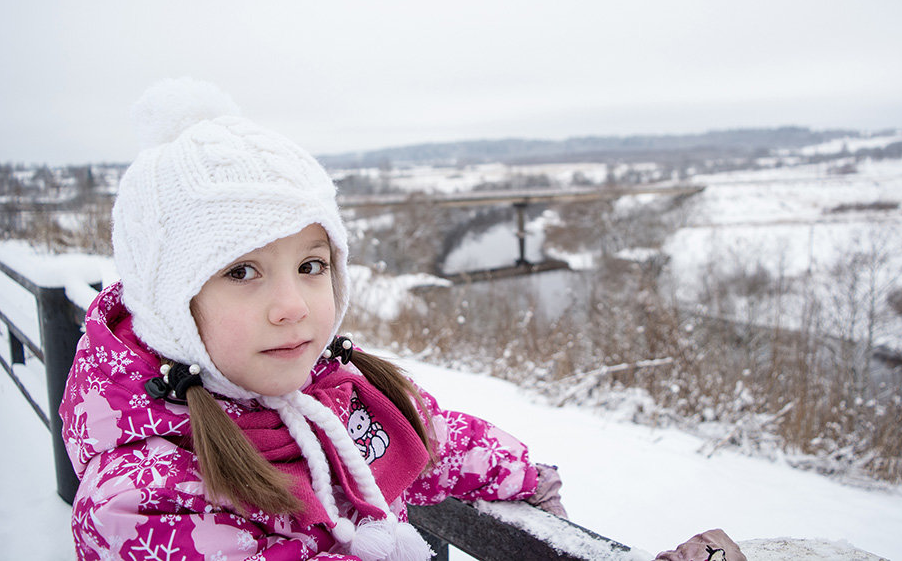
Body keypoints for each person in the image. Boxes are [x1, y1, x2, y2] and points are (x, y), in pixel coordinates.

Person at [59, 78, 566, 561]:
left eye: (310, 266)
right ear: (168, 305)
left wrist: (527, 477)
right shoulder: (143, 502)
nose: (294, 306)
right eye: (241, 271)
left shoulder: (340, 392)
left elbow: (433, 442)